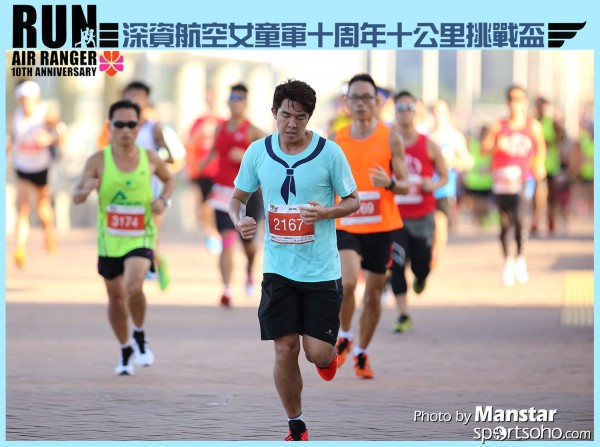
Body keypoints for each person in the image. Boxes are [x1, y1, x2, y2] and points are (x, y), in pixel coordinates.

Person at [229, 79, 359, 441]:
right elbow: (237, 199)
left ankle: (328, 357)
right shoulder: (258, 152)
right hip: (278, 269)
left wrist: (327, 212)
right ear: (274, 113)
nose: (291, 123)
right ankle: (296, 424)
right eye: (285, 115)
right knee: (284, 349)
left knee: (316, 354)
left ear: (309, 118)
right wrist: (239, 220)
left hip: (320, 271)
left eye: (300, 117)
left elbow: (353, 200)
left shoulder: (329, 153)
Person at [72, 99, 175, 375]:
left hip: (141, 236)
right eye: (120, 124)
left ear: (139, 126)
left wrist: (162, 201)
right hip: (110, 241)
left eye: (132, 124)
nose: (126, 130)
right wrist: (84, 191)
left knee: (133, 287)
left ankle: (139, 333)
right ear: (110, 126)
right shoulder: (98, 160)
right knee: (116, 299)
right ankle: (125, 346)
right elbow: (76, 195)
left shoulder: (149, 158)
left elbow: (169, 179)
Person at [332, 73, 408, 378]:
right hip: (346, 221)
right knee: (348, 282)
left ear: (377, 102)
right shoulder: (336, 139)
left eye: (367, 98)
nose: (361, 103)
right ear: (347, 103)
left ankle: (361, 352)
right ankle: (344, 335)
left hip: (380, 225)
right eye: (355, 98)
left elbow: (405, 185)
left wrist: (389, 182)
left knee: (373, 295)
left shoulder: (390, 137)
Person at [98, 81, 180, 290]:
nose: (135, 99)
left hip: (151, 193)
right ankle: (147, 265)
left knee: (150, 236)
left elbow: (172, 158)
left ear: (146, 100)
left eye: (140, 96)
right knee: (128, 238)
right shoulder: (114, 126)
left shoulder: (155, 127)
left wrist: (151, 161)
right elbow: (105, 156)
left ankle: (151, 266)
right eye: (131, 94)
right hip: (123, 194)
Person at [199, 83, 266, 307]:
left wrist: (245, 155)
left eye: (240, 98)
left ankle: (249, 270)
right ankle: (226, 289)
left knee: (248, 244)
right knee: (226, 239)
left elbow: (271, 156)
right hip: (223, 193)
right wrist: (204, 163)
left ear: (245, 103)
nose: (235, 102)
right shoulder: (219, 128)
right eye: (232, 98)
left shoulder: (253, 131)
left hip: (248, 193)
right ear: (228, 102)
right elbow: (214, 151)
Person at [389, 91, 448, 333]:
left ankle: (421, 277)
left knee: (421, 264)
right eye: (400, 107)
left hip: (423, 215)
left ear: (417, 111)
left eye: (409, 107)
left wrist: (431, 185)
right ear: (394, 111)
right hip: (395, 216)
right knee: (396, 264)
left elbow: (444, 175)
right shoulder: (388, 142)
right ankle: (403, 314)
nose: (405, 112)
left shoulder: (428, 144)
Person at [481, 85, 546, 287]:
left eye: (518, 99)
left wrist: (539, 165)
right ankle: (507, 261)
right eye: (511, 99)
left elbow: (540, 149)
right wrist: (496, 147)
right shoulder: (498, 126)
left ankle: (520, 258)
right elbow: (484, 149)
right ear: (506, 102)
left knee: (520, 217)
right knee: (505, 223)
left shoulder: (534, 126)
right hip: (502, 180)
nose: (514, 103)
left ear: (525, 102)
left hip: (524, 178)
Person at [7, 80, 65, 268]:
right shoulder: (15, 116)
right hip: (22, 166)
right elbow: (13, 138)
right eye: (23, 99)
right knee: (23, 208)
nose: (26, 103)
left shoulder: (46, 114)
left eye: (29, 99)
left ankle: (48, 233)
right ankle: (20, 248)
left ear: (36, 98)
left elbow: (61, 135)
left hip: (41, 167)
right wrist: (8, 147)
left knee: (42, 209)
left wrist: (50, 139)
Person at [428, 98, 473, 270]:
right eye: (435, 110)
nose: (437, 114)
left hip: (444, 188)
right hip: (425, 188)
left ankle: (435, 257)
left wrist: (452, 162)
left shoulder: (454, 136)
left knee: (440, 224)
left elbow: (467, 160)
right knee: (428, 225)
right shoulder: (426, 135)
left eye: (441, 111)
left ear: (448, 112)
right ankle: (428, 253)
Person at [185, 90, 224, 254]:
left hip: (218, 170)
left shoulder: (223, 122)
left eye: (213, 99)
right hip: (201, 171)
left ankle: (215, 234)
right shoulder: (199, 122)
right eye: (208, 99)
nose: (210, 102)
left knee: (212, 202)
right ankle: (210, 232)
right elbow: (189, 142)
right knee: (202, 204)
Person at [530, 96, 567, 236]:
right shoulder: (532, 121)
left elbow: (561, 137)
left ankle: (551, 219)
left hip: (550, 165)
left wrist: (550, 141)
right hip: (535, 164)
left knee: (551, 195)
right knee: (534, 195)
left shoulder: (551, 122)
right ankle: (535, 221)